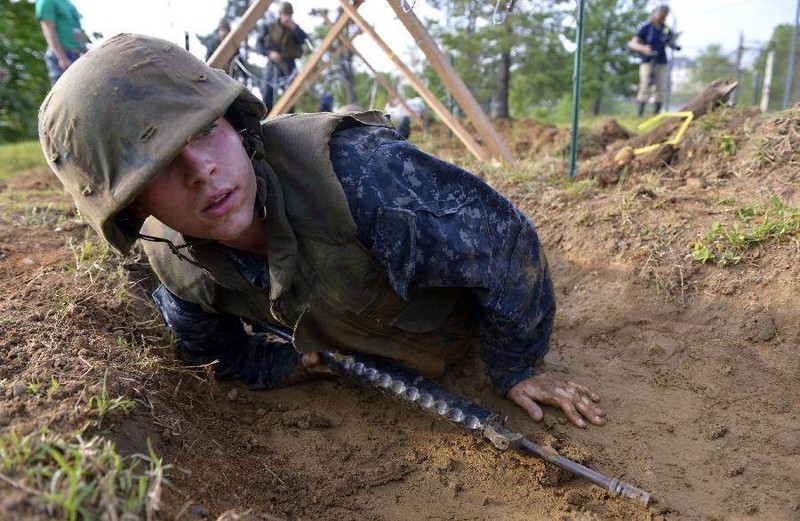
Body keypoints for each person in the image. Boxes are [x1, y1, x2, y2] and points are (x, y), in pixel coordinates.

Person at [38, 34, 606, 429]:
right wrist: (280, 365)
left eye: (207, 131)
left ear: (237, 126)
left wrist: (517, 366)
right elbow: (204, 345)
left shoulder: (361, 179)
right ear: (133, 210)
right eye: (160, 165)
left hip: (454, 323)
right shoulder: (175, 260)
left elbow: (505, 245)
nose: (201, 170)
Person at [628, 5, 680, 117]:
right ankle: (639, 115)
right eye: (661, 14)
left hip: (661, 61)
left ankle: (656, 115)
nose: (662, 17)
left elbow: (668, 41)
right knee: (645, 86)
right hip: (648, 61)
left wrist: (671, 43)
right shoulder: (645, 27)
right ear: (655, 13)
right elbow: (632, 43)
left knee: (661, 88)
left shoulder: (665, 29)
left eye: (665, 15)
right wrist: (643, 48)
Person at [256, 1, 308, 111]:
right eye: (285, 14)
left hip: (289, 65)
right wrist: (269, 53)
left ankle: (289, 122)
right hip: (272, 64)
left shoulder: (295, 29)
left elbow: (304, 40)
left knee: (290, 96)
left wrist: (294, 28)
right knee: (267, 93)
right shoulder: (269, 26)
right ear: (280, 14)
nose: (287, 17)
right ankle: (265, 121)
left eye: (289, 15)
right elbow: (258, 45)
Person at [35, 0, 87, 85]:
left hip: (77, 55)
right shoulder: (47, 1)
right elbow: (48, 30)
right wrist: (61, 57)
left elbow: (77, 31)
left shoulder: (68, 4)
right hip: (62, 55)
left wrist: (88, 53)